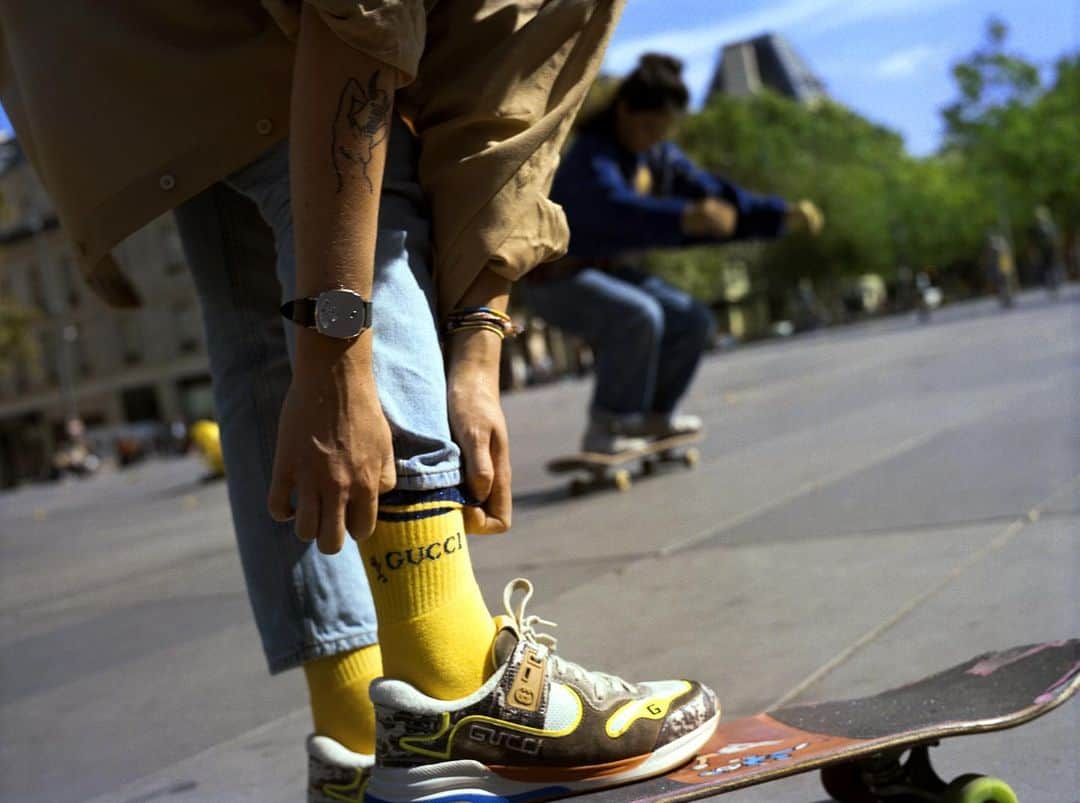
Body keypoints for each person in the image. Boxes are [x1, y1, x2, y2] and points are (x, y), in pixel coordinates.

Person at [0, 3, 722, 801]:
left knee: (251, 300)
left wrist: (479, 344)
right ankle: (456, 686)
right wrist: (339, 363)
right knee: (365, 181)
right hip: (219, 26)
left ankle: (351, 739)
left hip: (91, 49)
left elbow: (496, 120)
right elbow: (368, 45)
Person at [521, 54, 824, 454]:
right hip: (552, 280)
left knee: (692, 319)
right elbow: (618, 211)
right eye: (648, 128)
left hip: (608, 273)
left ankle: (654, 416)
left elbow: (712, 193)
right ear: (625, 110)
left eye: (662, 132)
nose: (653, 139)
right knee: (637, 316)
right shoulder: (590, 158)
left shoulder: (657, 157)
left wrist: (777, 213)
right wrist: (685, 218)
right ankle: (607, 426)